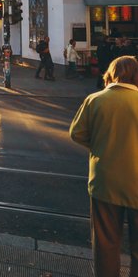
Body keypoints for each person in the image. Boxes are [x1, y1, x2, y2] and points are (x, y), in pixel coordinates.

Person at [69, 56, 138, 277]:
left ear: (111, 73)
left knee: (106, 245)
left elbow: (77, 133)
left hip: (105, 182)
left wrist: (101, 143)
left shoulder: (95, 100)